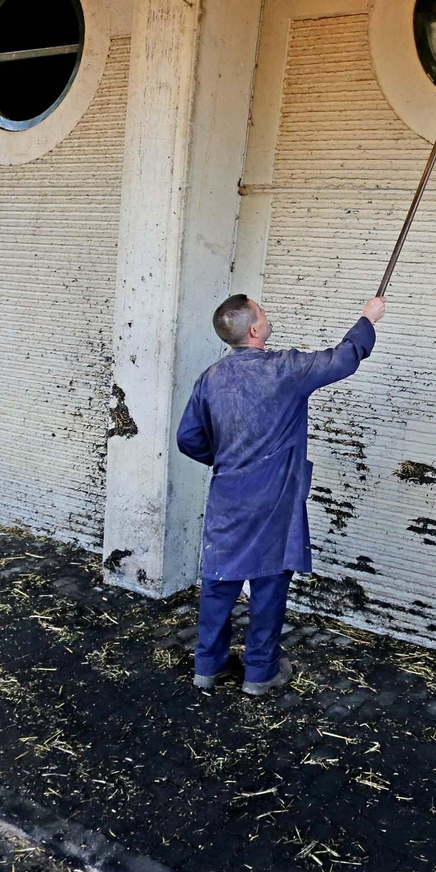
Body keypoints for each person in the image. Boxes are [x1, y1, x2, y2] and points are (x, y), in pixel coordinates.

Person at [176, 293, 386, 695]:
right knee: (269, 581)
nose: (267, 315)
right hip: (275, 499)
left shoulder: (210, 378)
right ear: (254, 329)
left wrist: (228, 459)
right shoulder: (287, 369)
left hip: (228, 495)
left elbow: (189, 439)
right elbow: (344, 358)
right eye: (263, 312)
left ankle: (208, 667)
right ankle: (259, 673)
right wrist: (367, 318)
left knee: (219, 579)